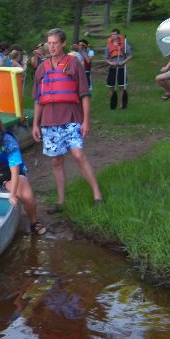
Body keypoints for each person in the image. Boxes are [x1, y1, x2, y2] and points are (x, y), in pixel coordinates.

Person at [32, 28, 103, 213]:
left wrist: (86, 121)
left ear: (63, 43)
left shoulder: (74, 64)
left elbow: (84, 95)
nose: (52, 47)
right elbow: (38, 99)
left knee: (78, 154)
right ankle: (61, 202)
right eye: (49, 43)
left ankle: (97, 195)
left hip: (71, 117)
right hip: (49, 121)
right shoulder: (41, 68)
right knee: (56, 160)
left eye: (55, 43)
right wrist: (35, 124)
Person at [104, 28, 133, 110]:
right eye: (112, 34)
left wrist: (124, 61)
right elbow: (105, 58)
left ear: (118, 35)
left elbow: (130, 55)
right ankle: (113, 104)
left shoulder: (124, 43)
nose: (113, 36)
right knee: (111, 86)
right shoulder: (108, 45)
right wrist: (110, 63)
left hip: (121, 67)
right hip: (112, 68)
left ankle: (122, 104)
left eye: (114, 34)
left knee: (122, 86)